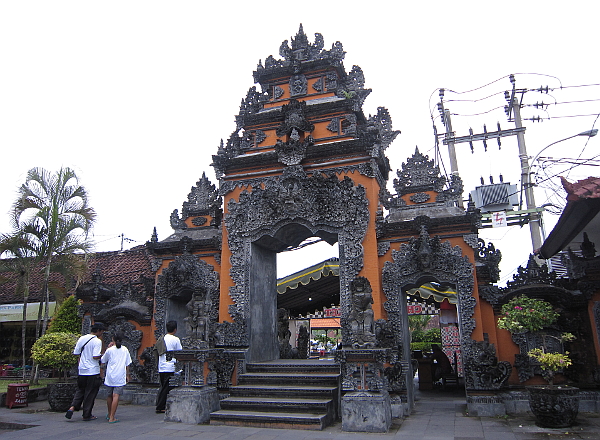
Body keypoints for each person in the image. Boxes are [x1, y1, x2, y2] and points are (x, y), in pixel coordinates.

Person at [65, 322, 105, 421]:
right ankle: (87, 414)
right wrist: (103, 354)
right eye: (102, 331)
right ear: (99, 331)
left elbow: (76, 353)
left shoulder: (82, 338)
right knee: (90, 393)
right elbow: (95, 356)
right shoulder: (97, 341)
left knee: (80, 390)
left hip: (82, 370)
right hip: (92, 371)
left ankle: (72, 407)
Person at [101, 332, 132, 423]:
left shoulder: (110, 350)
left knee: (109, 395)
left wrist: (107, 348)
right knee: (116, 395)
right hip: (120, 375)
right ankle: (112, 417)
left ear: (113, 340)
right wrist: (127, 375)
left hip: (110, 375)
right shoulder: (125, 349)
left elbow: (103, 360)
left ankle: (109, 413)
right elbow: (128, 364)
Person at [155, 320, 182, 413]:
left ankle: (161, 404)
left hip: (162, 366)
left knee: (163, 386)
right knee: (167, 388)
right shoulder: (176, 340)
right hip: (170, 366)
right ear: (175, 329)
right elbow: (180, 353)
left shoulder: (162, 338)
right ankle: (160, 406)